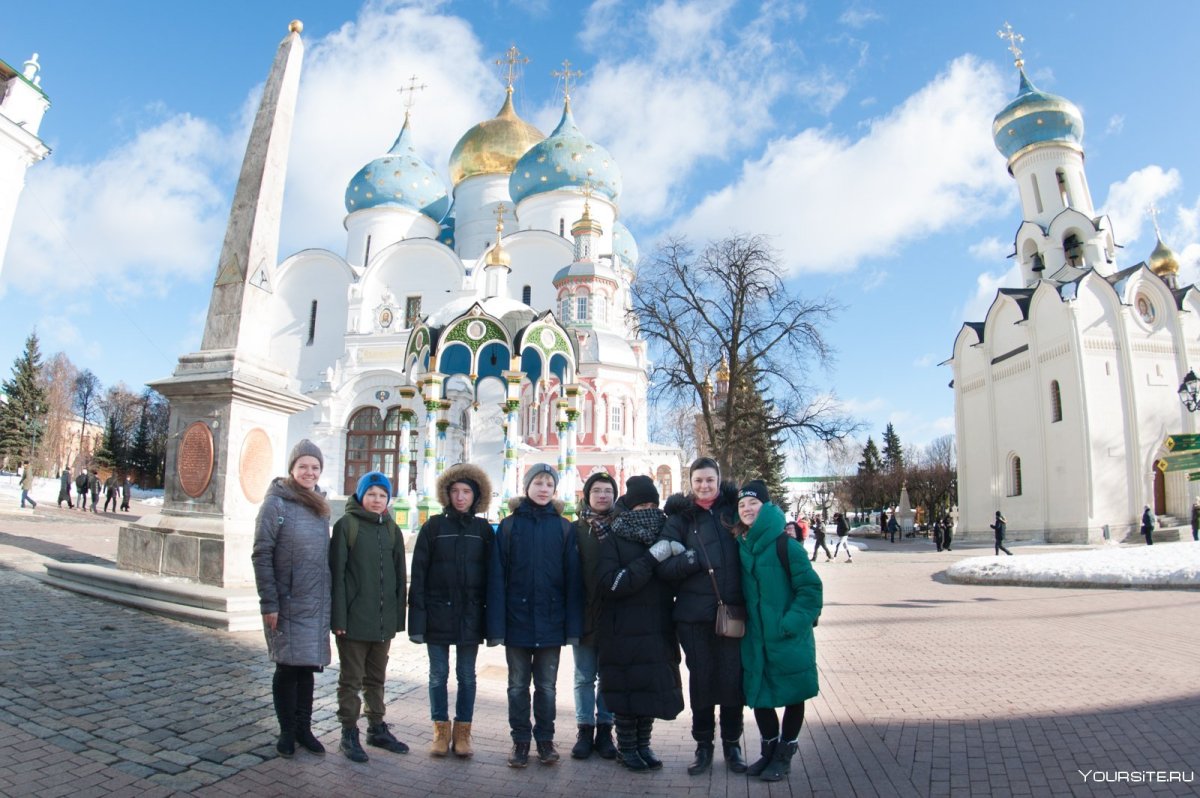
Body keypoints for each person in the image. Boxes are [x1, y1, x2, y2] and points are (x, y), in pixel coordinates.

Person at [487, 463, 583, 768]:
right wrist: (496, 627)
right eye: (538, 483)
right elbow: (497, 578)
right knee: (517, 686)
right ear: (527, 487)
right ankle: (520, 741)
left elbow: (573, 580)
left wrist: (572, 627)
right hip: (516, 619)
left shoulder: (564, 528)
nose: (543, 489)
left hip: (551, 621)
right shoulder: (509, 526)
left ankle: (545, 740)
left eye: (549, 485)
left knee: (547, 687)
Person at [657, 456, 747, 776]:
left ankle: (732, 745)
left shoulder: (733, 511)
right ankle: (703, 745)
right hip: (693, 616)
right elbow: (663, 566)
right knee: (702, 680)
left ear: (719, 480)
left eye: (710, 480)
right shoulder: (679, 520)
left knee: (733, 678)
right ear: (690, 483)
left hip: (732, 612)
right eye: (698, 481)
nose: (704, 486)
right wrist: (689, 560)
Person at [734, 481, 822, 782]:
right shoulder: (741, 545)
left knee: (794, 693)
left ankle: (784, 754)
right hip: (755, 637)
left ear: (766, 506)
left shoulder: (786, 545)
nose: (747, 509)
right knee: (760, 694)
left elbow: (810, 589)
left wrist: (790, 623)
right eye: (742, 505)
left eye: (753, 503)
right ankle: (769, 751)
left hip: (787, 636)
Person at [251, 440, 332, 760]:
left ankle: (303, 729)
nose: (309, 472)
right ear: (292, 469)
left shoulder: (320, 505)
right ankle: (286, 731)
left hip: (313, 603)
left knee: (306, 668)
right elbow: (262, 553)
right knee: (286, 668)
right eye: (303, 466)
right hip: (286, 601)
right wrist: (269, 602)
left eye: (315, 467)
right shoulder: (276, 503)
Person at [597, 475, 684, 772]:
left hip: (658, 626)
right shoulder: (614, 537)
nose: (648, 510)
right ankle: (626, 748)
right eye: (641, 506)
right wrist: (650, 559)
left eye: (652, 505)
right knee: (627, 691)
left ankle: (644, 745)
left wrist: (682, 560)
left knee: (650, 689)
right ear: (630, 507)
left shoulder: (666, 535)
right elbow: (611, 583)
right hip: (623, 628)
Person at [409, 462, 494, 759]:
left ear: (476, 496)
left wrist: (490, 620)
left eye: (466, 492)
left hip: (471, 615)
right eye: (455, 491)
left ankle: (463, 734)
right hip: (437, 613)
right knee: (438, 675)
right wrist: (417, 621)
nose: (460, 497)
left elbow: (492, 577)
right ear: (447, 494)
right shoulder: (433, 527)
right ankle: (440, 732)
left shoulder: (483, 531)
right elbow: (419, 575)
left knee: (467, 676)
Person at [330, 470, 409, 764]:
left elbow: (400, 576)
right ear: (361, 495)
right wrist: (339, 618)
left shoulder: (391, 529)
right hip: (353, 621)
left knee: (376, 678)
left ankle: (376, 727)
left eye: (382, 495)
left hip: (382, 621)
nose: (377, 500)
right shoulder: (347, 526)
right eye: (371, 494)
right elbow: (337, 575)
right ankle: (348, 731)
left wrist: (397, 618)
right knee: (351, 680)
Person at [570, 470, 620, 760]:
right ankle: (584, 729)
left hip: (615, 615)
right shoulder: (575, 530)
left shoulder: (622, 527)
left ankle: (605, 730)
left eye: (608, 491)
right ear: (587, 495)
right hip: (584, 612)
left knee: (609, 675)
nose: (603, 496)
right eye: (597, 491)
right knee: (584, 675)